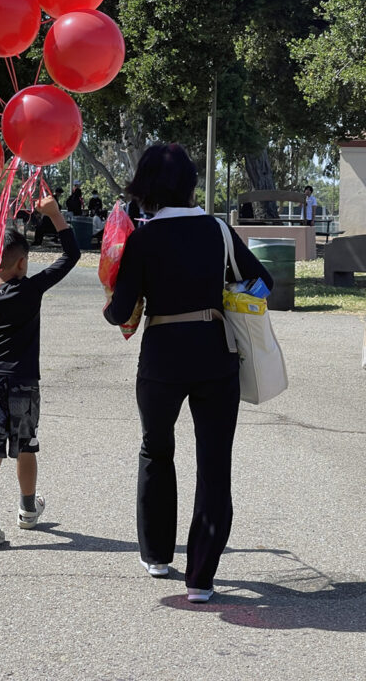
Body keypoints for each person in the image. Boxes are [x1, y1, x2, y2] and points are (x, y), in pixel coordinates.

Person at [104, 143, 273, 604]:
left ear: (147, 186)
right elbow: (263, 283)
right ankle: (201, 577)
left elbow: (119, 312)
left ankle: (157, 554)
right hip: (216, 352)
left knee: (156, 451)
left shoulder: (142, 238)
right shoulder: (218, 230)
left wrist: (115, 294)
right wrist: (228, 294)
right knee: (214, 466)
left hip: (160, 357)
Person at [0, 195, 80, 550]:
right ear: (23, 263)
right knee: (26, 445)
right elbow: (70, 256)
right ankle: (28, 509)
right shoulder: (30, 290)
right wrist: (55, 215)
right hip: (24, 383)